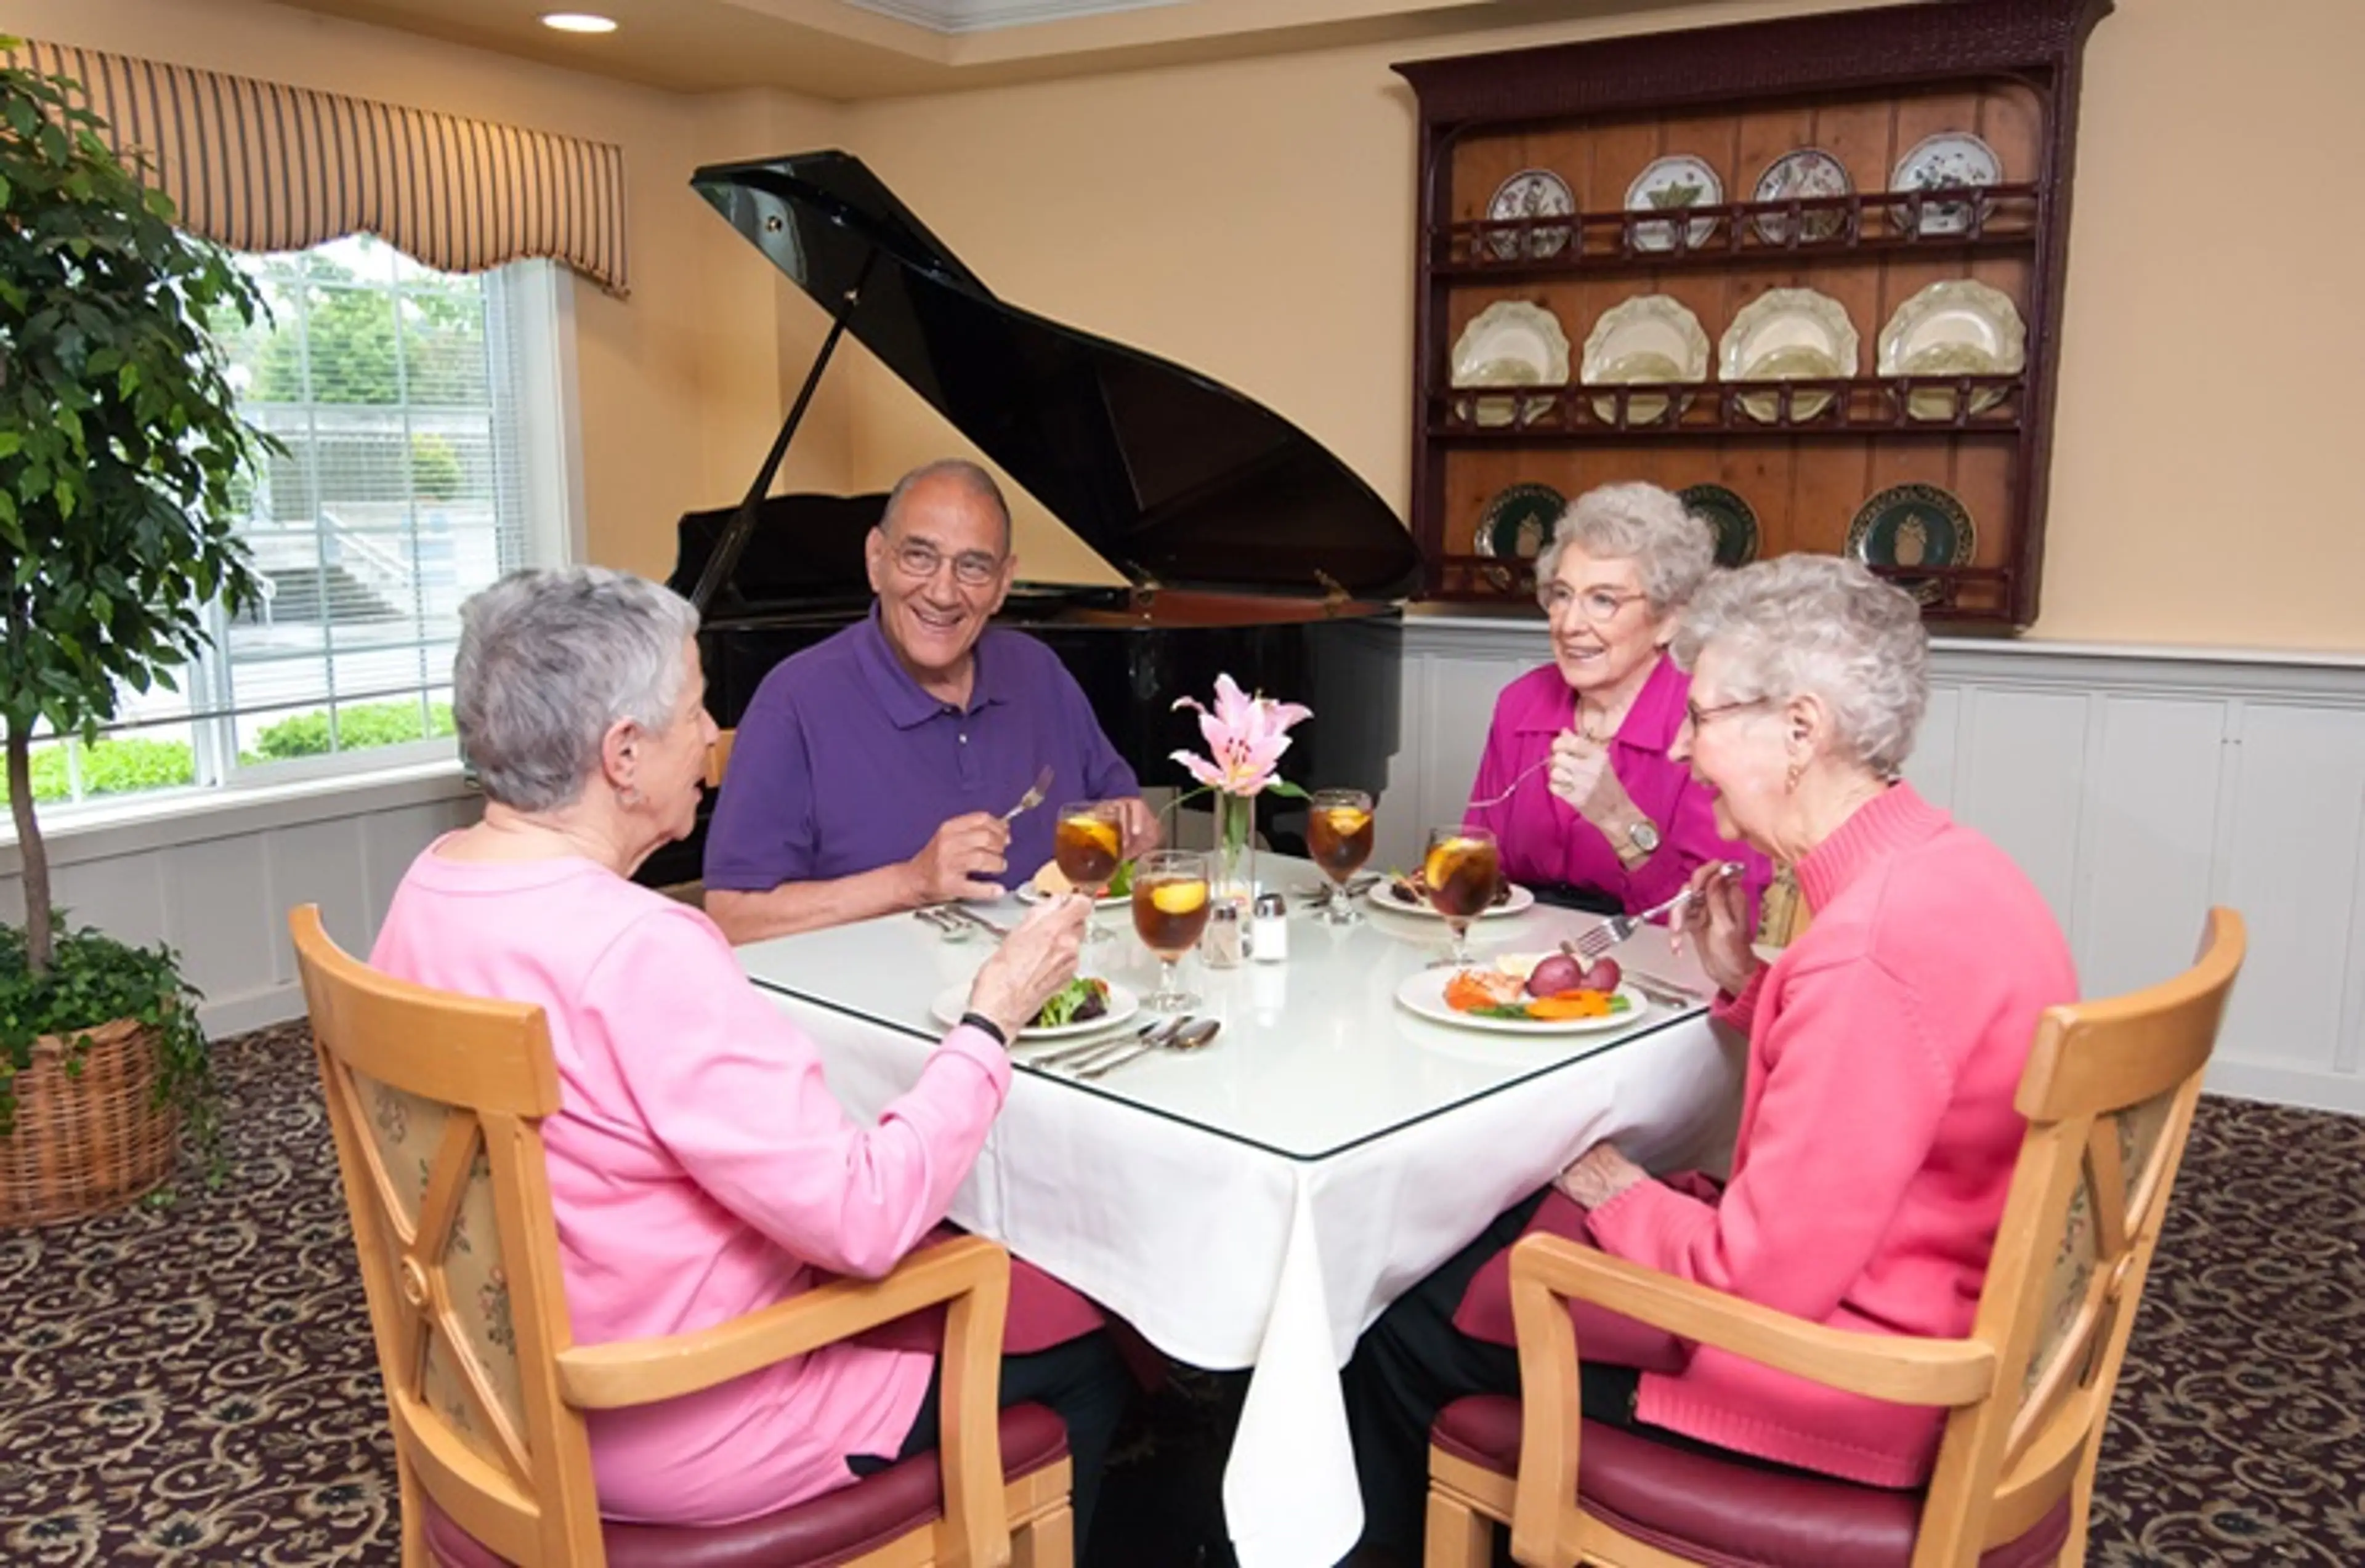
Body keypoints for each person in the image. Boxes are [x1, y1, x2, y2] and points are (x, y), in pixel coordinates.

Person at [372, 566, 1130, 1550]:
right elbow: (863, 1221)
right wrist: (991, 1019)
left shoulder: (429, 888)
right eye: (694, 707)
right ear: (623, 753)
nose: (714, 733)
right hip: (672, 1414)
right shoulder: (644, 947)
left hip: (483, 1379)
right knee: (1085, 1346)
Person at [1344, 556, 2079, 1559]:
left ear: (1802, 729)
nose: (1685, 750)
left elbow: (1754, 1282)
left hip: (1857, 1384)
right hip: (1945, 1311)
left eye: (1704, 719)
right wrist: (1750, 980)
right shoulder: (1955, 869)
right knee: (1486, 1246)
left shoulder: (1865, 950)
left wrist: (1616, 1191)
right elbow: (1888, 1076)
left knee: (1389, 1316)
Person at [703, 459, 1158, 942]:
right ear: (876, 559)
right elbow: (732, 916)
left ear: (1005, 583)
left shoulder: (1039, 671)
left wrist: (1139, 831)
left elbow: (1123, 812)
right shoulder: (794, 701)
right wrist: (911, 883)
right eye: (919, 556)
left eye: (973, 567)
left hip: (1053, 991)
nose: (943, 592)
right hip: (867, 1002)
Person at [1463, 482, 1767, 917]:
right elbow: (1479, 865)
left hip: (1654, 963)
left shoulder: (1710, 722)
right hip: (1520, 962)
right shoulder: (1522, 704)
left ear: (1669, 621)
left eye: (1603, 600)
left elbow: (1718, 923)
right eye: (1562, 595)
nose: (1570, 625)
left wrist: (1622, 822)